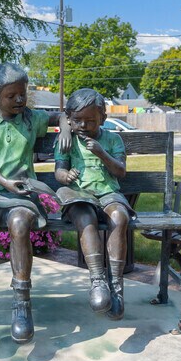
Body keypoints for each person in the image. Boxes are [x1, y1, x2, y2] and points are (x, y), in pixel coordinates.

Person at [0, 63, 70, 344]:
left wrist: (65, 128)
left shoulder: (31, 119)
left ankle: (22, 303)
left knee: (19, 223)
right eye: (12, 96)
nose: (20, 100)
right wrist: (5, 182)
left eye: (23, 93)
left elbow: (63, 114)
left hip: (22, 194)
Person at [53, 88, 135, 320]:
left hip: (108, 193)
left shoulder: (112, 139)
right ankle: (98, 280)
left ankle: (116, 287)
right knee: (85, 218)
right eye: (77, 120)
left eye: (90, 121)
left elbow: (120, 172)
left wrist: (102, 154)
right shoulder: (66, 140)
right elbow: (59, 171)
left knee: (120, 217)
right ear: (69, 119)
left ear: (103, 119)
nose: (83, 126)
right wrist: (66, 176)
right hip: (79, 195)